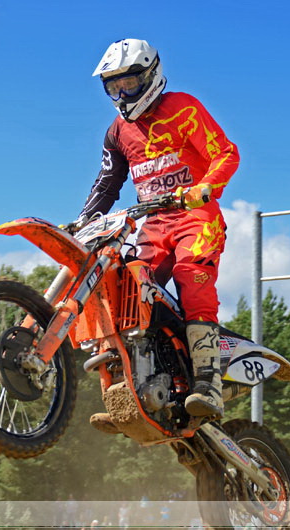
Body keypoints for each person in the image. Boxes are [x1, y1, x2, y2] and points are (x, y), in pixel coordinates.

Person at [77, 38, 239, 429]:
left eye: (129, 83)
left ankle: (209, 383)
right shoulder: (117, 131)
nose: (122, 94)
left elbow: (225, 153)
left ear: (150, 75)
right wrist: (84, 221)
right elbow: (108, 182)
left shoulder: (182, 108)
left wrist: (206, 186)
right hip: (153, 224)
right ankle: (129, 391)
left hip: (196, 216)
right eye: (113, 87)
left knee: (190, 275)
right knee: (125, 290)